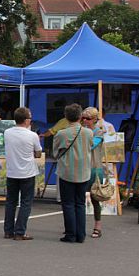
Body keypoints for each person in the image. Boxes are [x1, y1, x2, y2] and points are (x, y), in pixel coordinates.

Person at [53, 104, 93, 243]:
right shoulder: (89, 133)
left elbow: (55, 152)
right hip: (84, 172)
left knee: (68, 204)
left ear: (66, 117)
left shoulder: (61, 134)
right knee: (80, 204)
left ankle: (70, 234)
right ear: (80, 116)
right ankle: (81, 235)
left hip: (67, 172)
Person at [3, 107, 42, 240]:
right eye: (30, 118)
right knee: (26, 202)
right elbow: (38, 153)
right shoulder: (32, 135)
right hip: (27, 172)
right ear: (26, 120)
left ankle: (8, 231)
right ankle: (20, 231)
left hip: (12, 171)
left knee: (11, 202)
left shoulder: (7, 132)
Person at [81, 107, 105, 238]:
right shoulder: (81, 130)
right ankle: (78, 226)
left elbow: (91, 146)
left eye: (88, 118)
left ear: (95, 119)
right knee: (78, 199)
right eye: (83, 118)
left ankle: (98, 226)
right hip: (82, 167)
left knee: (95, 199)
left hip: (95, 168)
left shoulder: (98, 132)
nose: (85, 120)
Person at [40, 116, 70, 203]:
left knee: (61, 175)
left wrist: (43, 135)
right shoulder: (86, 131)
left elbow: (52, 131)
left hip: (64, 155)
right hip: (79, 158)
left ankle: (60, 198)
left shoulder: (63, 123)